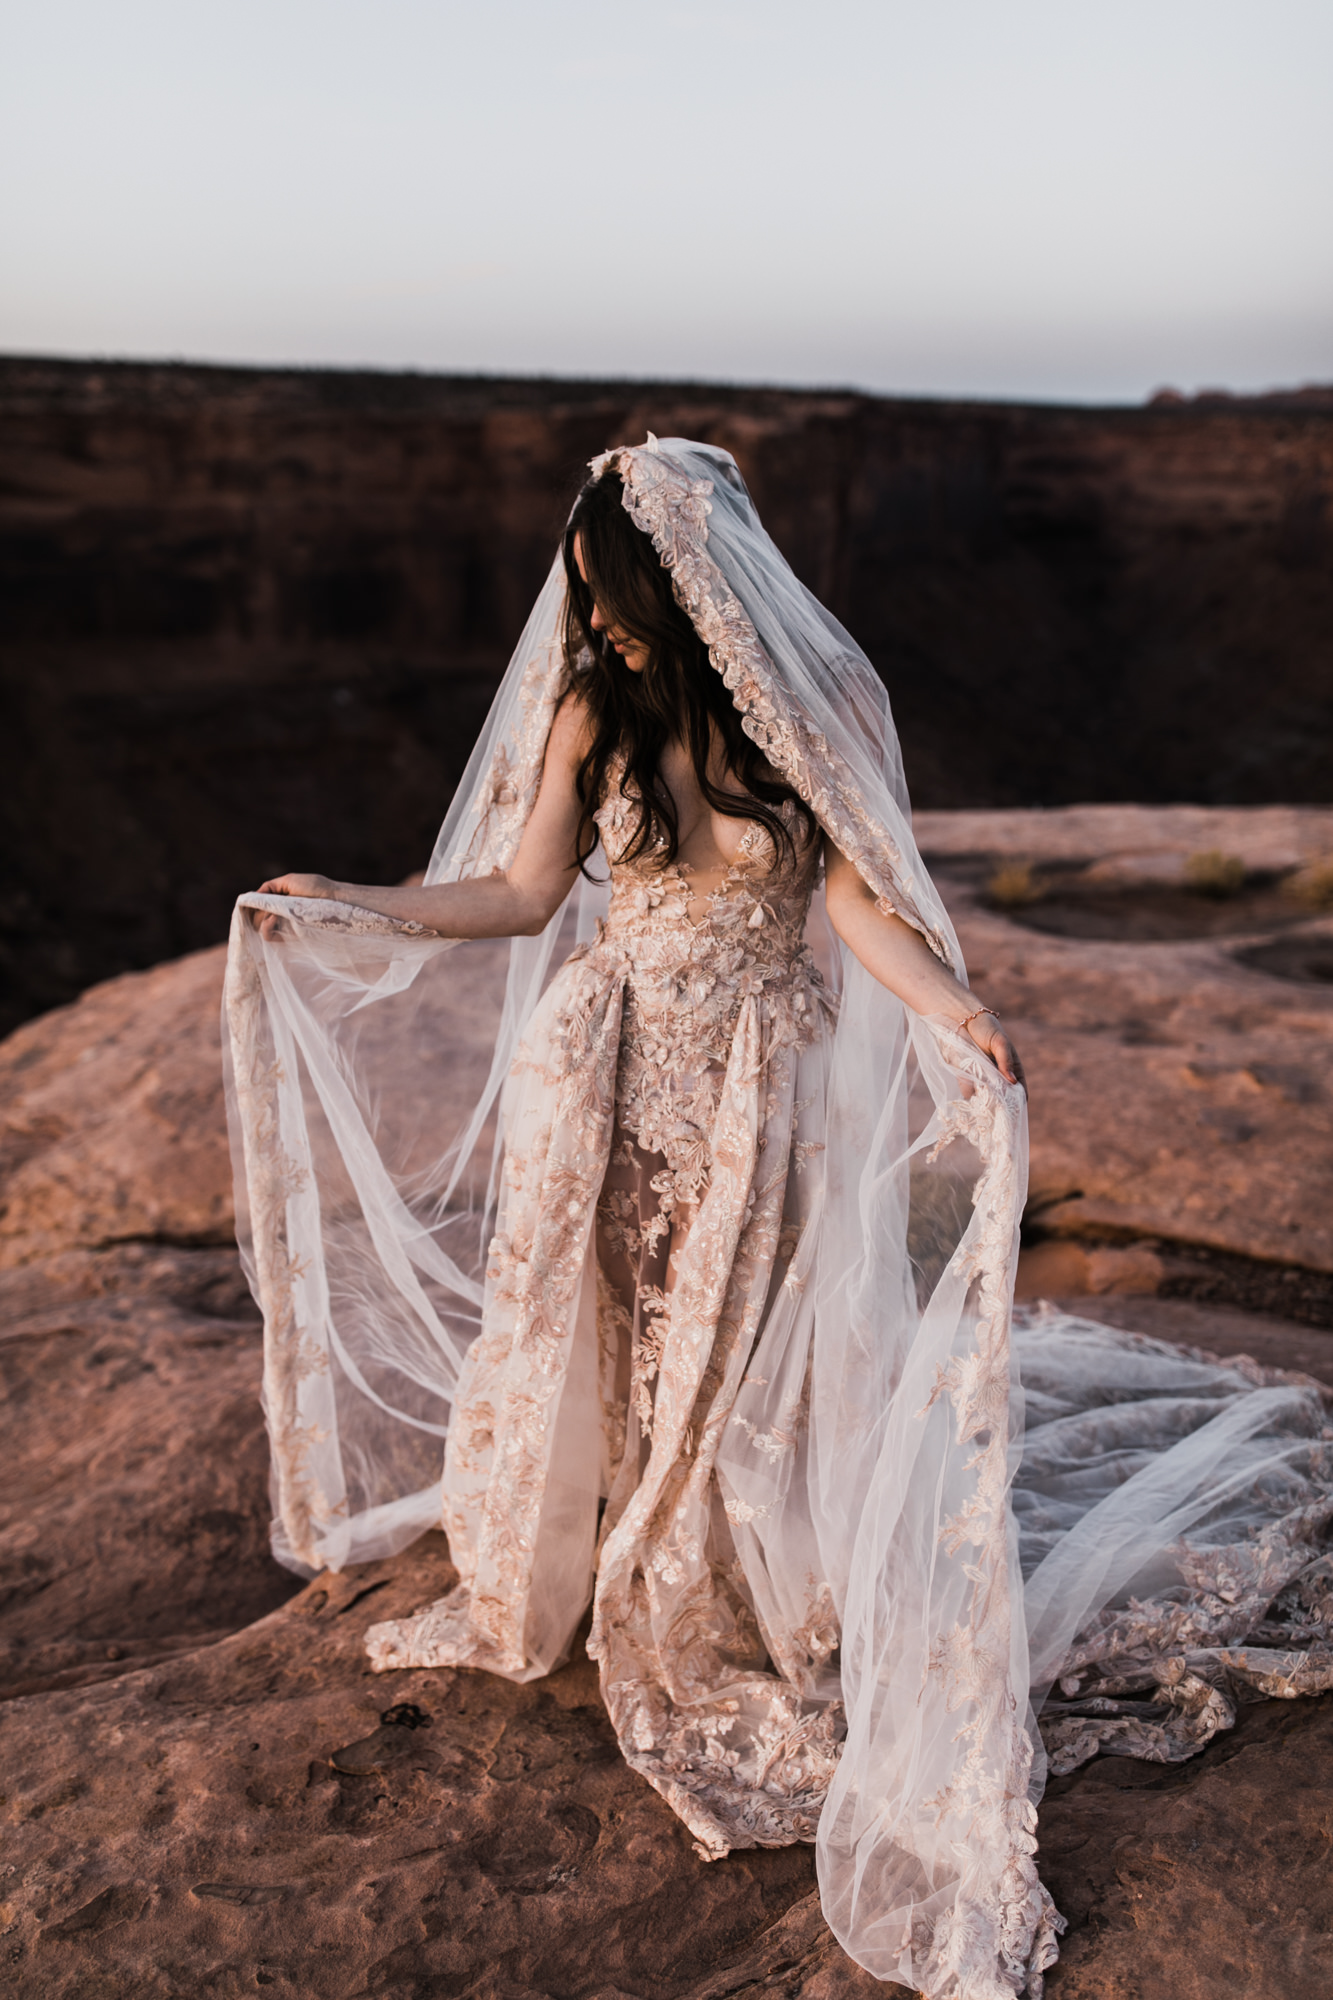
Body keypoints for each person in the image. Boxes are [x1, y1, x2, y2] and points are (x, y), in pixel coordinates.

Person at [225, 438, 1333, 2000]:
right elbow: (522, 896)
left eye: (604, 583)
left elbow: (853, 898)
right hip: (604, 1059)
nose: (585, 608)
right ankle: (593, 1538)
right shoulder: (586, 709)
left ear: (670, 587)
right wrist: (354, 900)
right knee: (601, 1309)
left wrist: (955, 1010)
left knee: (736, 1326)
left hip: (753, 1072)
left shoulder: (785, 716)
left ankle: (723, 1570)